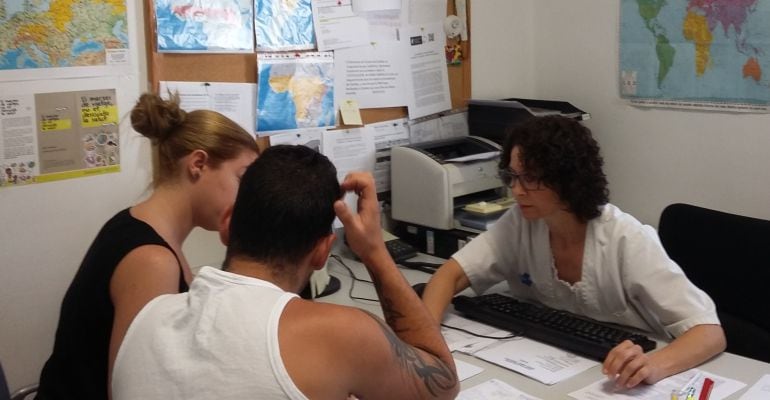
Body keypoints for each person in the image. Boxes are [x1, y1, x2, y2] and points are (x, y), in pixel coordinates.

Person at [111, 145, 459, 400]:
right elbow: (443, 382)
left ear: (227, 225)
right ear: (323, 251)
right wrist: (374, 250)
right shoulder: (343, 334)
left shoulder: (146, 319)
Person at [421, 115, 726, 389]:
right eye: (512, 177)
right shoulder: (521, 222)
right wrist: (427, 340)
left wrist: (653, 365)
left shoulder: (625, 238)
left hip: (621, 374)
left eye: (530, 178)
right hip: (555, 367)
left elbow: (710, 333)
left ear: (567, 179)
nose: (516, 190)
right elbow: (450, 274)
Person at [36, 93, 259, 400]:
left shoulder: (138, 224)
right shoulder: (152, 260)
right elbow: (133, 391)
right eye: (242, 178)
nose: (245, 197)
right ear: (198, 164)